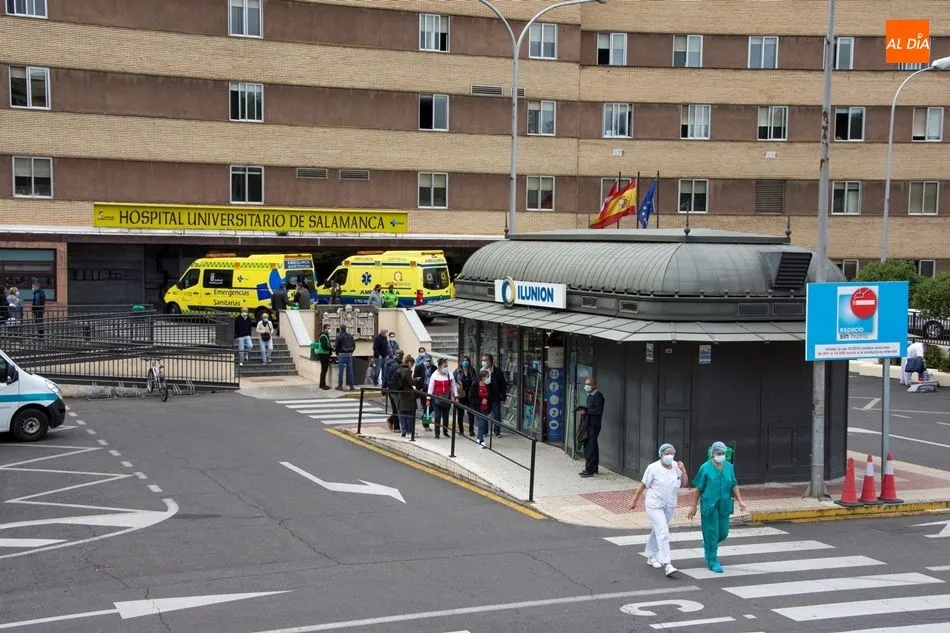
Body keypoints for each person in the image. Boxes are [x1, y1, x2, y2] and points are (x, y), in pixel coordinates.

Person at [687, 441, 748, 574]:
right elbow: (698, 489)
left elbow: (734, 484)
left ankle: (708, 544)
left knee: (723, 533)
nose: (721, 456)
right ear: (712, 454)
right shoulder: (705, 468)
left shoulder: (729, 467)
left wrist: (740, 501)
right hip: (709, 505)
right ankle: (713, 561)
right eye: (718, 453)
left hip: (724, 505)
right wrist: (693, 507)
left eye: (723, 453)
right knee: (712, 533)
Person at [629, 443, 688, 577]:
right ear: (661, 454)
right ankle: (667, 564)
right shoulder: (653, 468)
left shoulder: (675, 467)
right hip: (654, 505)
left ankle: (650, 555)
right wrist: (634, 501)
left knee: (658, 530)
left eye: (671, 453)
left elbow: (684, 483)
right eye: (666, 453)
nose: (669, 456)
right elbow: (643, 485)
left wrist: (683, 470)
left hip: (670, 505)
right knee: (663, 531)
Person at [576, 377, 604, 477]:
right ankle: (594, 467)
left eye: (589, 384)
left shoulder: (598, 396)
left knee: (590, 447)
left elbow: (598, 411)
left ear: (594, 385)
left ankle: (589, 470)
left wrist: (586, 411)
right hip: (588, 424)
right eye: (586, 384)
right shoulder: (589, 396)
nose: (586, 386)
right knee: (592, 446)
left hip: (593, 425)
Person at [427, 358, 458, 438]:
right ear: (439, 367)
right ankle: (437, 433)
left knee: (445, 416)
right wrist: (428, 399)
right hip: (436, 398)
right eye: (444, 366)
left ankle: (445, 431)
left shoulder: (450, 375)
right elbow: (430, 387)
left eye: (446, 366)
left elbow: (454, 386)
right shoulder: (434, 375)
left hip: (446, 398)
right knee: (437, 416)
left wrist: (456, 396)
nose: (446, 368)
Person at [480, 353, 507, 438]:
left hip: (495, 396)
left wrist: (503, 396)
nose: (483, 362)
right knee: (484, 414)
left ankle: (497, 431)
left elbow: (502, 384)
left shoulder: (497, 371)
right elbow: (480, 384)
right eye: (482, 360)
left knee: (497, 414)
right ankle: (485, 431)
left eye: (485, 360)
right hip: (485, 397)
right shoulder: (481, 371)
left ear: (490, 361)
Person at [393, 355, 419, 438]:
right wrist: (417, 380)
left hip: (401, 394)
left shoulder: (399, 369)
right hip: (408, 396)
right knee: (409, 414)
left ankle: (404, 431)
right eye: (412, 364)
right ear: (409, 362)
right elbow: (410, 382)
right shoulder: (407, 371)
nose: (412, 366)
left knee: (403, 415)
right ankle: (409, 431)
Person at [453, 356, 476, 436]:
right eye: (463, 361)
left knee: (470, 413)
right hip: (461, 395)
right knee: (460, 413)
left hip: (470, 395)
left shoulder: (472, 371)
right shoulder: (457, 371)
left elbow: (475, 381)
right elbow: (453, 381)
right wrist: (457, 385)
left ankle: (471, 430)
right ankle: (461, 430)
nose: (465, 362)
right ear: (461, 362)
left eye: (466, 361)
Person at [471, 370, 491, 448]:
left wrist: (487, 401)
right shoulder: (475, 385)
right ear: (482, 378)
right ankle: (481, 440)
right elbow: (472, 397)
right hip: (478, 408)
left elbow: (490, 397)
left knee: (483, 422)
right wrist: (480, 400)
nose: (488, 379)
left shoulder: (488, 386)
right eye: (487, 377)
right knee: (481, 423)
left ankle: (479, 438)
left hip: (485, 408)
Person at [335, 325, 356, 391]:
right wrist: (351, 352)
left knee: (341, 371)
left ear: (340, 329)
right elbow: (354, 345)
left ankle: (340, 385)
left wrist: (337, 353)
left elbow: (336, 346)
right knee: (350, 371)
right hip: (349, 354)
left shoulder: (339, 336)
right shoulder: (350, 336)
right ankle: (351, 386)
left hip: (341, 354)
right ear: (346, 329)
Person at [316, 323, 332, 390]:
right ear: (325, 329)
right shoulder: (323, 336)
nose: (329, 330)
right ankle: (322, 385)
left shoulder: (326, 335)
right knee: (324, 370)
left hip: (325, 355)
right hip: (323, 355)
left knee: (324, 370)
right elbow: (324, 346)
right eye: (328, 328)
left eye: (329, 328)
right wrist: (330, 348)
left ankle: (322, 384)